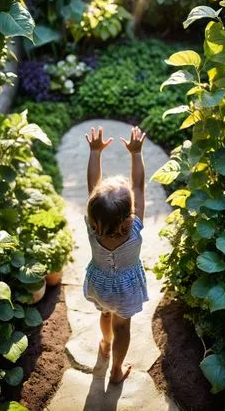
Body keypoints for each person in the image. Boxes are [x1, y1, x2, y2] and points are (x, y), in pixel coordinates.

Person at [83, 125, 149, 384]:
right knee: (123, 327)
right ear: (129, 217)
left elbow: (92, 185)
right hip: (127, 289)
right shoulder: (134, 229)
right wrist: (136, 154)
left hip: (100, 285)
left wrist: (95, 152)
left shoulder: (93, 227)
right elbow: (140, 187)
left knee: (105, 314)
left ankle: (105, 345)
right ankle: (117, 370)